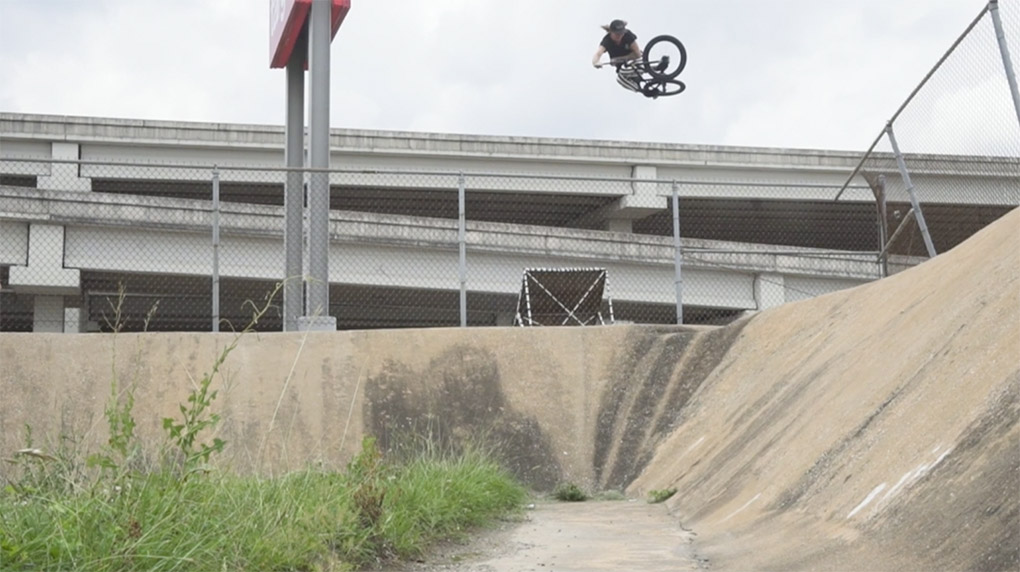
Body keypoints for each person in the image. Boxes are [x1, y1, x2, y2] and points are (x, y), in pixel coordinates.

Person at [592, 19, 643, 92]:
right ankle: (642, 90)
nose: (620, 36)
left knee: (623, 71)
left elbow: (637, 54)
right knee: (620, 78)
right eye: (617, 34)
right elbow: (598, 54)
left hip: (636, 61)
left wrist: (619, 59)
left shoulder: (627, 36)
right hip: (623, 67)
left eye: (621, 33)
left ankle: (656, 68)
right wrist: (595, 62)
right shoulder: (607, 41)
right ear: (611, 32)